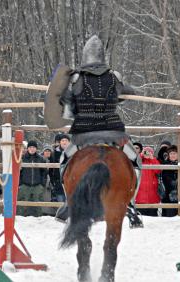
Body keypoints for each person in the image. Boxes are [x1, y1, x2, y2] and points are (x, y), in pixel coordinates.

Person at [54, 35, 142, 226]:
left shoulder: (75, 78)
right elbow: (127, 95)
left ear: (85, 56)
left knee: (64, 161)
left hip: (84, 134)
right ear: (103, 56)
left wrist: (66, 98)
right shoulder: (114, 77)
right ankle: (131, 204)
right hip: (113, 132)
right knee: (136, 161)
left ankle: (69, 204)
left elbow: (68, 111)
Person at [18, 140, 47, 217]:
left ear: (36, 149)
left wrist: (42, 184)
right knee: (22, 205)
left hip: (37, 185)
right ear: (27, 148)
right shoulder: (22, 158)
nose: (32, 149)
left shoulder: (41, 159)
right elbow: (18, 173)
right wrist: (20, 184)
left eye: (34, 147)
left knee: (38, 205)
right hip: (25, 185)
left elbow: (44, 173)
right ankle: (21, 220)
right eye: (30, 147)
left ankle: (38, 221)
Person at [135, 147, 161, 216]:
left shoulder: (153, 161)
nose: (147, 153)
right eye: (145, 152)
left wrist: (152, 158)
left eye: (149, 152)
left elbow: (158, 170)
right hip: (140, 197)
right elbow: (135, 162)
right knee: (141, 215)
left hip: (152, 196)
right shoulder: (139, 161)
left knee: (153, 217)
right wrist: (141, 155)